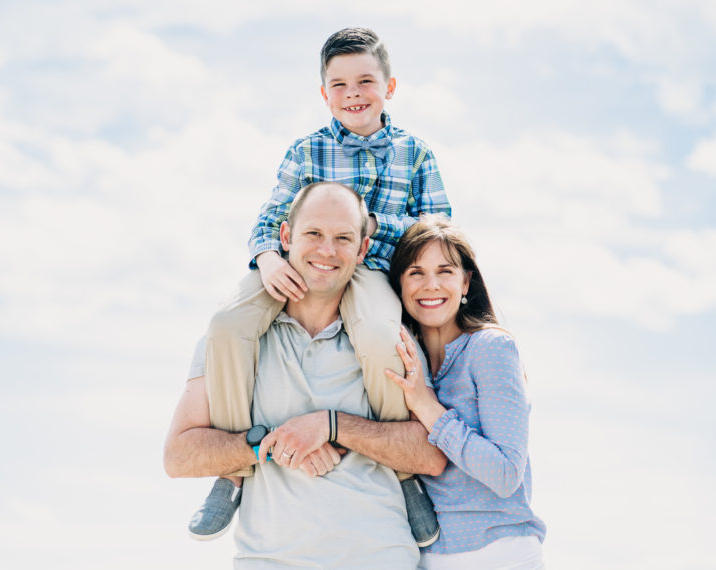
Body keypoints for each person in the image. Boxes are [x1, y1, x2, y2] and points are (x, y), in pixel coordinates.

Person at [187, 27, 451, 545]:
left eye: (365, 81)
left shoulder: (415, 153)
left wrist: (371, 226)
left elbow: (436, 229)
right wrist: (267, 258)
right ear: (324, 93)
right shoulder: (307, 150)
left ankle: (404, 476)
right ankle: (233, 471)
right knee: (226, 324)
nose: (353, 94)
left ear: (389, 87)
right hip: (297, 265)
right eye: (339, 85)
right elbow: (270, 218)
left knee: (381, 338)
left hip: (372, 271)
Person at [164, 182, 448, 568]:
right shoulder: (233, 339)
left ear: (363, 249)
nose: (327, 250)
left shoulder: (388, 335)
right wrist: (274, 443)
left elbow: (432, 456)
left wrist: (332, 426)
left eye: (343, 238)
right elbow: (178, 456)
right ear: (285, 237)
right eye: (313, 233)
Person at [384, 215, 547, 569]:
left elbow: (506, 474)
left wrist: (429, 408)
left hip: (500, 553)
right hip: (430, 557)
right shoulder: (407, 360)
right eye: (416, 273)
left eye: (445, 271)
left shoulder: (490, 348)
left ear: (465, 282)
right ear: (400, 285)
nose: (431, 285)